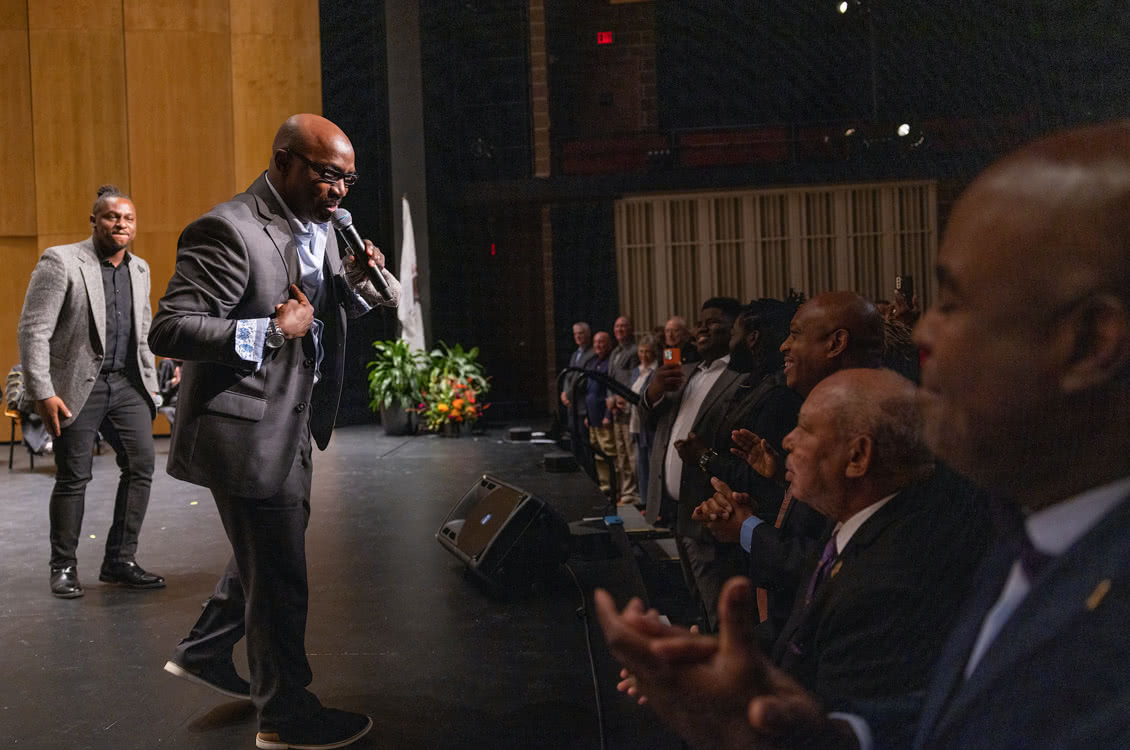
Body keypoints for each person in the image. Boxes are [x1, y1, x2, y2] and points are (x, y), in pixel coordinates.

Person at [594, 121, 1130, 750]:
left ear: (1092, 341)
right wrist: (837, 737)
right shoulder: (1026, 528)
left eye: (953, 305)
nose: (921, 333)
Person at [150, 114, 399, 750]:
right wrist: (267, 329)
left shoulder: (320, 228)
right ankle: (285, 715)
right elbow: (171, 328)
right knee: (281, 574)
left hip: (293, 421)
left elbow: (317, 317)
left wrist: (358, 286)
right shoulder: (228, 229)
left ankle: (205, 651)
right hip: (247, 429)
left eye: (348, 179)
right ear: (283, 161)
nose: (340, 191)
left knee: (268, 556)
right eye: (327, 175)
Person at [695, 369, 990, 748]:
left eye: (804, 428)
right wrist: (710, 653)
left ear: (857, 457)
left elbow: (825, 719)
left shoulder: (882, 582)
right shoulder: (856, 521)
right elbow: (796, 630)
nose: (787, 440)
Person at [17, 184, 163, 599]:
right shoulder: (61, 261)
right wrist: (42, 392)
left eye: (128, 218)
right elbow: (33, 330)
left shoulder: (140, 269)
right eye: (112, 217)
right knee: (73, 478)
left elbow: (142, 334)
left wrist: (151, 391)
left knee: (141, 467)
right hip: (75, 388)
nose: (121, 224)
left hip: (127, 385)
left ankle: (120, 560)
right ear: (95, 220)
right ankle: (63, 567)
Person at [642, 297, 745, 629]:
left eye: (713, 322)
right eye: (699, 321)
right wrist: (652, 391)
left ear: (736, 329)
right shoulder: (685, 372)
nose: (701, 327)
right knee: (696, 600)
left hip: (707, 511)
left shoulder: (740, 377)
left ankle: (725, 673)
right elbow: (650, 419)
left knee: (721, 610)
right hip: (676, 509)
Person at [608, 316, 640, 505]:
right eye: (617, 326)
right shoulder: (615, 352)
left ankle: (633, 491)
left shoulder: (635, 351)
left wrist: (622, 399)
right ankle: (625, 489)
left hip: (628, 408)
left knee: (630, 451)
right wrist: (610, 399)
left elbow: (635, 378)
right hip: (615, 408)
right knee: (620, 452)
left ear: (631, 329)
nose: (620, 329)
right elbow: (610, 378)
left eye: (623, 326)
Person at [628, 333, 660, 504]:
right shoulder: (636, 371)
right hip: (636, 423)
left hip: (650, 426)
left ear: (654, 352)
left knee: (650, 465)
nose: (644, 355)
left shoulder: (656, 371)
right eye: (641, 351)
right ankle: (644, 501)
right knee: (640, 466)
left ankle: (652, 503)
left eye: (647, 352)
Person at [583, 331, 617, 495]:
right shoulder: (592, 362)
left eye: (601, 342)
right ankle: (604, 486)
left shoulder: (610, 362)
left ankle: (615, 486)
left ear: (609, 344)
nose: (598, 345)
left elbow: (610, 392)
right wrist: (587, 416)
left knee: (609, 453)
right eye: (596, 342)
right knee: (598, 455)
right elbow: (588, 391)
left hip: (605, 417)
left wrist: (607, 415)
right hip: (593, 417)